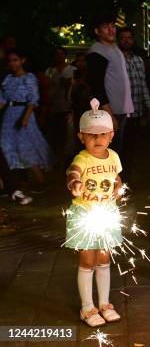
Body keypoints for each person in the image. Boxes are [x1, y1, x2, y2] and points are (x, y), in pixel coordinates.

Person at [64, 98, 123, 327]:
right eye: (91, 135)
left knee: (104, 257)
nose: (97, 139)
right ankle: (87, 307)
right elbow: (74, 171)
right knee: (87, 259)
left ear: (111, 135)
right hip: (85, 215)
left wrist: (118, 187)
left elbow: (117, 177)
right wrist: (74, 182)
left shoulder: (114, 156)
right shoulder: (82, 157)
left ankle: (105, 303)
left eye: (102, 135)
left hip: (108, 213)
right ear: (81, 137)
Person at [0, 49, 52, 196]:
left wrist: (25, 118)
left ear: (22, 60)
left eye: (15, 60)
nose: (12, 63)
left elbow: (33, 100)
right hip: (9, 116)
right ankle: (13, 185)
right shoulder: (8, 79)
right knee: (6, 147)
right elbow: (3, 101)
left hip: (24, 115)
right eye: (9, 61)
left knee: (26, 149)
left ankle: (41, 182)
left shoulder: (29, 78)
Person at [85, 13, 134, 159]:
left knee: (117, 151)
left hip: (120, 111)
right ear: (97, 31)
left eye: (113, 26)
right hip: (109, 112)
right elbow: (96, 85)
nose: (111, 30)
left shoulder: (114, 48)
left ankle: (115, 180)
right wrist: (109, 114)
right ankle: (106, 181)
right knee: (107, 153)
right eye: (106, 27)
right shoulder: (97, 51)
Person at [117, 27, 150, 182]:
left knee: (130, 147)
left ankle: (126, 180)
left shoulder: (138, 60)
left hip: (136, 111)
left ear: (133, 40)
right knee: (117, 147)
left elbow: (142, 85)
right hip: (119, 112)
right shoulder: (115, 59)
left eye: (129, 38)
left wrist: (149, 108)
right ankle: (115, 178)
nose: (126, 40)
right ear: (119, 40)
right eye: (123, 38)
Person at [45, 47, 76, 166]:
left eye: (61, 53)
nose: (59, 56)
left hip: (68, 107)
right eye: (57, 54)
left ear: (65, 55)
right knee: (54, 136)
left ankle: (67, 161)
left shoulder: (72, 69)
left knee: (68, 136)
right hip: (53, 107)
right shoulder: (49, 71)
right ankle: (55, 160)